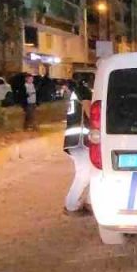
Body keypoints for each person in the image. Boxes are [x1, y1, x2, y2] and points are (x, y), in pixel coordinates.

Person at [62, 76, 94, 216]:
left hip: (73, 139)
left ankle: (89, 202)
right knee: (84, 174)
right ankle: (71, 205)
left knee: (92, 172)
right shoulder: (84, 91)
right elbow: (89, 111)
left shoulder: (76, 92)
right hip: (80, 139)